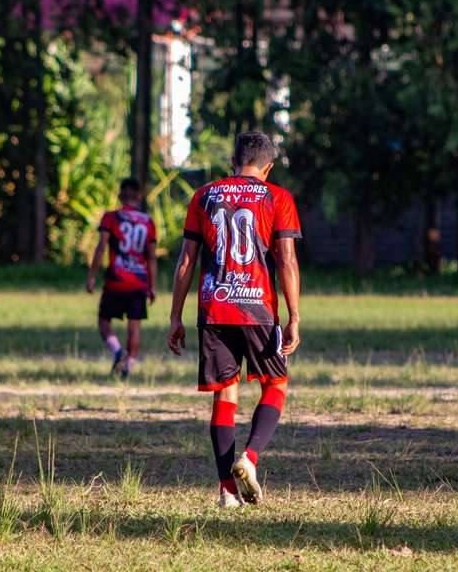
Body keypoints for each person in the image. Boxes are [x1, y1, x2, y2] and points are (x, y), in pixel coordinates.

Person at [167, 131, 302, 508]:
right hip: (258, 308)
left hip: (214, 308)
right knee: (276, 385)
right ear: (269, 167)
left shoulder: (204, 195)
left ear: (233, 162)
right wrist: (294, 316)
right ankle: (250, 458)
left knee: (225, 395)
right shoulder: (278, 197)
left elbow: (186, 261)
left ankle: (227, 491)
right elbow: (287, 261)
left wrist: (175, 316)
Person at [87, 178, 157, 379]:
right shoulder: (148, 222)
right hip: (139, 282)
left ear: (120, 195)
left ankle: (118, 351)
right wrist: (152, 286)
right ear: (139, 196)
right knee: (134, 328)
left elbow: (101, 248)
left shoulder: (111, 218)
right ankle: (128, 368)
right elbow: (151, 257)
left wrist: (92, 276)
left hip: (115, 281)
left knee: (103, 322)